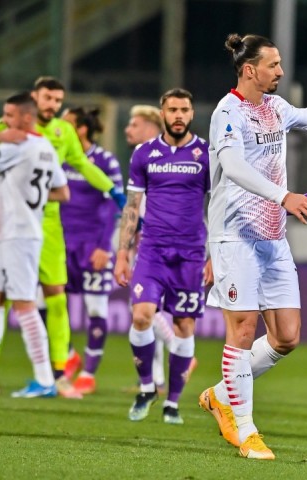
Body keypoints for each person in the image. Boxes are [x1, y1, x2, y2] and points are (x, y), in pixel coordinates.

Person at [199, 32, 307, 461]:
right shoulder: (229, 111)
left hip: (272, 237)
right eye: (273, 65)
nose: (280, 71)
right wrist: (285, 197)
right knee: (241, 328)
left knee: (286, 337)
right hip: (235, 234)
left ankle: (221, 395)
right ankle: (246, 432)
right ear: (249, 70)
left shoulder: (275, 107)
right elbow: (234, 166)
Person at [0, 76, 127, 398]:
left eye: (58, 101)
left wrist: (111, 189)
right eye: (47, 99)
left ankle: (56, 376)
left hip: (49, 228)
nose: (53, 106)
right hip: (15, 224)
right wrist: (2, 136)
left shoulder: (61, 131)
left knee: (54, 298)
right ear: (34, 97)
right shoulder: (12, 124)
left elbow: (81, 166)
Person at [113, 88, 213, 425]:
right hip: (152, 251)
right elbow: (132, 207)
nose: (179, 115)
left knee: (184, 324)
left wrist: (215, 255)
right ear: (163, 113)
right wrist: (122, 253)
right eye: (173, 109)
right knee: (141, 315)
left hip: (190, 254)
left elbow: (219, 206)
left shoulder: (206, 155)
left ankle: (172, 402)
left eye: (185, 109)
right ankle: (146, 388)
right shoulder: (144, 154)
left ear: (192, 113)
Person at [0, 92, 70, 398]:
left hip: (18, 236)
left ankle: (44, 380)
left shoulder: (18, 144)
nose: (5, 122)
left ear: (26, 118)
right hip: (17, 233)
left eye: (10, 116)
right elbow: (62, 192)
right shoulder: (45, 147)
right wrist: (27, 196)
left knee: (24, 305)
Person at [113, 104, 189, 396]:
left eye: (134, 124)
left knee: (146, 308)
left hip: (160, 243)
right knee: (150, 309)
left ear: (150, 127)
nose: (127, 129)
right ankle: (157, 379)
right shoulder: (149, 155)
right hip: (163, 240)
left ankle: (179, 351)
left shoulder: (150, 156)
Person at [54, 106, 123, 395]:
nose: (59, 126)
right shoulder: (58, 157)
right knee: (47, 302)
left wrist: (104, 246)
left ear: (81, 129)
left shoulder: (105, 161)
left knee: (96, 307)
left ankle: (88, 373)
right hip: (59, 243)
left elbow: (112, 205)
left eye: (67, 122)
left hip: (91, 245)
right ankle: (68, 354)